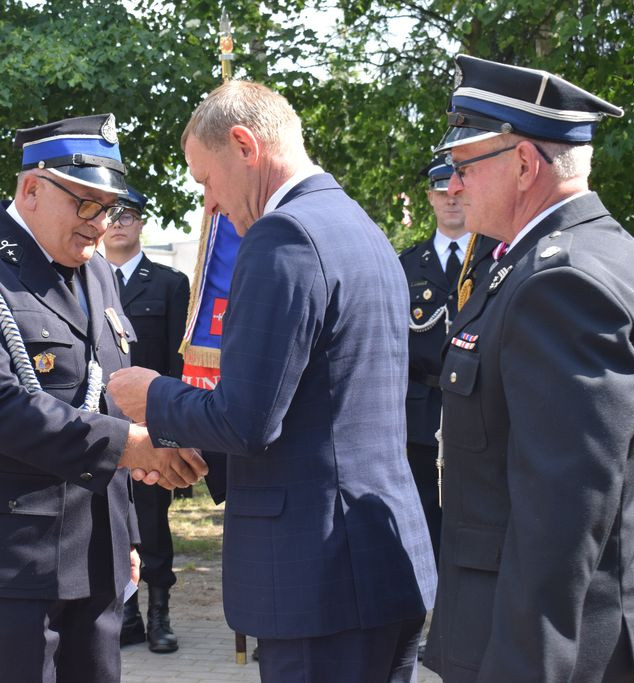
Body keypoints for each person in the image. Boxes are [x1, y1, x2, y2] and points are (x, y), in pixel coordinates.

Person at [108, 81, 436, 682]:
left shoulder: (282, 237)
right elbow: (319, 405)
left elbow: (247, 419)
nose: (208, 205)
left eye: (205, 180)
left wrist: (151, 396)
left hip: (318, 576)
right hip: (377, 562)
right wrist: (189, 449)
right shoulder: (356, 224)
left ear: (244, 145)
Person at [0, 113, 207, 682]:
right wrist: (132, 446)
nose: (100, 226)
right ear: (32, 189)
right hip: (7, 555)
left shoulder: (98, 275)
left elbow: (107, 394)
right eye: (87, 204)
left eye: (111, 209)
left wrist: (130, 536)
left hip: (96, 552)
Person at [423, 54, 634, 681]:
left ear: (526, 164)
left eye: (463, 167)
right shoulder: (584, 256)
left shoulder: (560, 283)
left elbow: (558, 532)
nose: (452, 187)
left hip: (555, 656)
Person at [103, 186, 190, 653]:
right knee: (109, 522)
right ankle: (125, 615)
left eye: (128, 214)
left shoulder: (169, 284)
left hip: (151, 428)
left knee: (152, 523)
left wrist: (174, 431)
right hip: (99, 429)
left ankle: (158, 614)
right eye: (110, 213)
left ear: (141, 224)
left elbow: (178, 366)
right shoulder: (84, 279)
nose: (118, 222)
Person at [399, 157, 496, 564]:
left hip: (480, 408)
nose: (451, 199)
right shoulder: (405, 265)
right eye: (441, 191)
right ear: (430, 198)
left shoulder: (494, 260)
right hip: (421, 414)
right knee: (422, 516)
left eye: (456, 189)